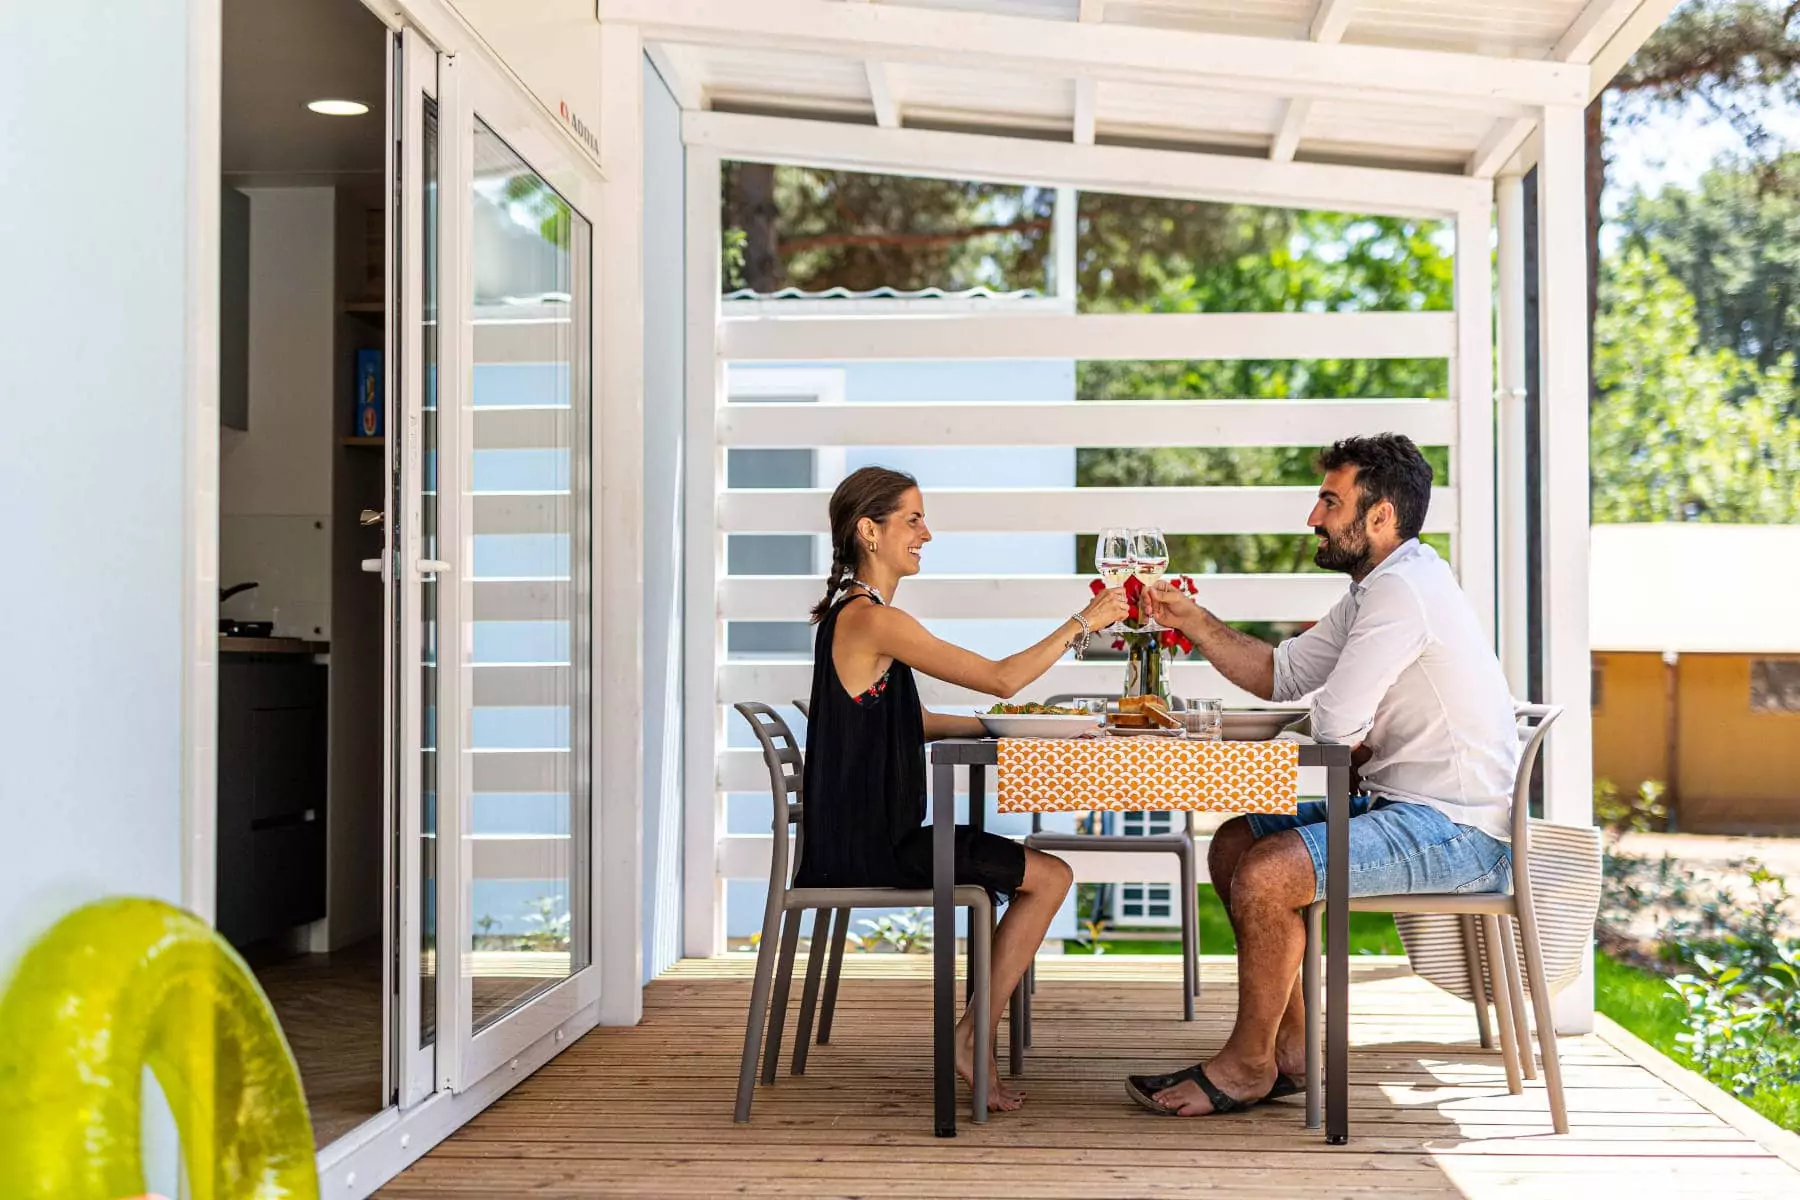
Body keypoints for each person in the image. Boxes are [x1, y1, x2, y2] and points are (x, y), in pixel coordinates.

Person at [1126, 433, 1521, 1118]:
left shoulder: (1404, 588)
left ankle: (1247, 1067)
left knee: (1269, 873)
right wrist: (1192, 619)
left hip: (1457, 830)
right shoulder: (1381, 587)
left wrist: (1344, 732)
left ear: (1380, 518)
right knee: (1235, 842)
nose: (1314, 517)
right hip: (1403, 809)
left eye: (1330, 502)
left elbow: (1334, 724)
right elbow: (1283, 674)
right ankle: (1293, 1047)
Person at [798, 465, 1128, 1112]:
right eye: (912, 519)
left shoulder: (855, 617)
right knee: (1052, 876)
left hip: (860, 836)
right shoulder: (871, 620)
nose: (927, 532)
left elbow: (909, 721)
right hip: (876, 848)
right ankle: (970, 1040)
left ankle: (974, 1035)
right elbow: (1003, 679)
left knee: (1035, 869)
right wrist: (1082, 623)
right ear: (870, 530)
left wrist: (1006, 728)